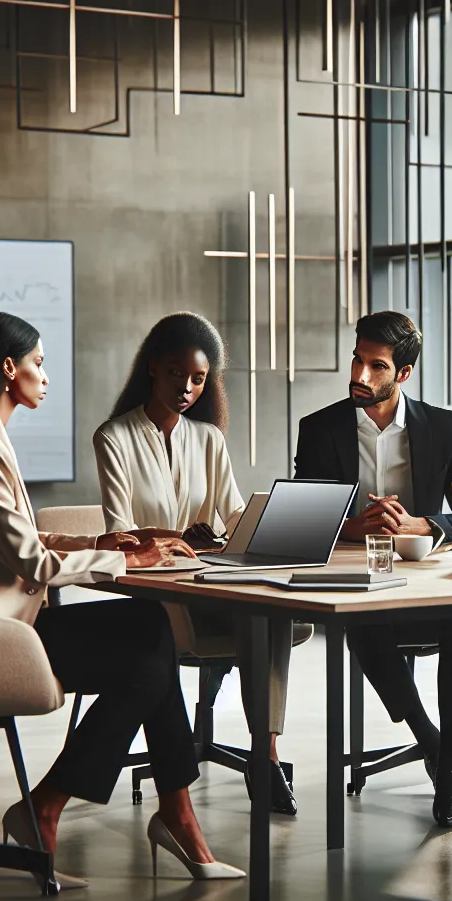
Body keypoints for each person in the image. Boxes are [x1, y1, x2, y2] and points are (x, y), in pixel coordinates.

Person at [0, 311, 242, 883]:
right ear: (9, 369)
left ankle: (151, 811)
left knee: (151, 637)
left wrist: (99, 541)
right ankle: (67, 806)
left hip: (1, 623)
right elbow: (32, 562)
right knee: (148, 657)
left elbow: (23, 537)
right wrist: (127, 558)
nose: (45, 375)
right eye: (38, 364)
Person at [93, 312, 297, 816]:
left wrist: (265, 527)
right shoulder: (114, 437)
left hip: (211, 583)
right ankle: (262, 758)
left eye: (198, 379)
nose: (186, 388)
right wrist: (179, 538)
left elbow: (232, 517)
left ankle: (263, 753)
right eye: (175, 374)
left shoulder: (208, 438)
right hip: (154, 597)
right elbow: (121, 533)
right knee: (260, 620)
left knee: (271, 612)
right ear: (152, 370)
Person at [293, 310, 452, 829]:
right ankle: (437, 747)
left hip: (428, 578)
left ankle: (446, 763)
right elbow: (300, 519)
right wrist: (355, 526)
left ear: (403, 374)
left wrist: (424, 523)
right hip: (361, 583)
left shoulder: (442, 427)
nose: (359, 376)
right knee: (363, 627)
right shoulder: (319, 430)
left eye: (376, 366)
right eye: (357, 360)